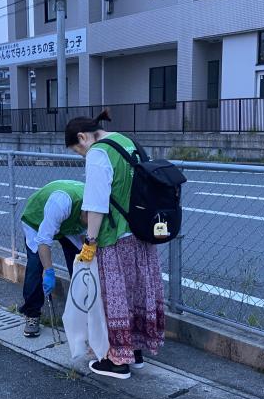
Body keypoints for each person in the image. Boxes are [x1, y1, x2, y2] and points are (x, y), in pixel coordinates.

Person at [64, 109, 165, 380]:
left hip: (115, 237)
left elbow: (95, 204)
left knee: (114, 297)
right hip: (141, 232)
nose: (81, 155)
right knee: (137, 293)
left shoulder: (97, 153)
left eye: (78, 150)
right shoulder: (125, 141)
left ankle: (118, 361)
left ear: (82, 138)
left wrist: (90, 241)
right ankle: (137, 352)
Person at [19, 180, 86, 338]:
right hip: (37, 221)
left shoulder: (94, 206)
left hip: (68, 225)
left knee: (81, 265)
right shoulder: (61, 203)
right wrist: (49, 271)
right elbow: (44, 241)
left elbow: (86, 238)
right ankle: (32, 314)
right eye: (88, 219)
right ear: (84, 212)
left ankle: (81, 312)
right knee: (36, 266)